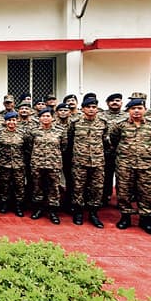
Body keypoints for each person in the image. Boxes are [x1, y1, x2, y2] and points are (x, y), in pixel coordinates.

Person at [109, 98, 151, 236]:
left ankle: (145, 220)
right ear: (128, 110)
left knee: (147, 193)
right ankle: (125, 217)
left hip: (147, 166)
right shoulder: (120, 125)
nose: (136, 111)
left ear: (145, 110)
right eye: (133, 109)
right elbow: (114, 140)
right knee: (124, 192)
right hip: (125, 165)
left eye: (139, 108)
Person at [67, 96, 109, 228]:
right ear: (83, 109)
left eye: (94, 107)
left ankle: (93, 214)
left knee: (97, 188)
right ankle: (78, 213)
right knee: (78, 187)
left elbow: (106, 141)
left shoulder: (103, 123)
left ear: (97, 109)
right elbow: (69, 140)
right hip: (79, 161)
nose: (91, 109)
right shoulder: (75, 122)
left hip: (97, 162)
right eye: (88, 107)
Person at [26, 107, 66, 224]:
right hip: (37, 163)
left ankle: (53, 211)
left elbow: (64, 146)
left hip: (54, 164)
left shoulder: (60, 131)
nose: (45, 118)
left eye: (48, 116)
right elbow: (29, 146)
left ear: (53, 118)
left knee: (54, 187)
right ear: (39, 118)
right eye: (43, 116)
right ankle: (38, 208)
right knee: (37, 186)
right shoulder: (33, 131)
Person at [0, 111, 25, 217]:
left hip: (19, 164)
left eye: (13, 120)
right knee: (4, 185)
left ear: (17, 121)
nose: (11, 122)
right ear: (5, 122)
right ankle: (4, 204)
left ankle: (18, 206)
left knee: (19, 186)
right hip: (3, 164)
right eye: (9, 120)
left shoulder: (22, 133)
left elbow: (27, 148)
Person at [100, 93, 125, 206]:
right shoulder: (101, 115)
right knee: (106, 175)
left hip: (122, 152)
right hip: (105, 151)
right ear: (107, 103)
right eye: (112, 101)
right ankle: (105, 196)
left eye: (117, 100)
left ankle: (122, 199)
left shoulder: (127, 116)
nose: (115, 103)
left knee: (123, 177)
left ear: (121, 103)